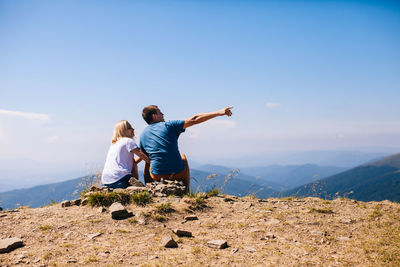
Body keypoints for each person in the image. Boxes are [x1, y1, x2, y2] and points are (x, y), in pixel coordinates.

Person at [139, 105, 233, 191]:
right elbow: (194, 119)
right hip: (178, 172)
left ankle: (148, 188)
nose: (163, 114)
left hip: (156, 175)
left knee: (147, 162)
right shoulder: (169, 125)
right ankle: (186, 190)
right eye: (159, 112)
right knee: (183, 157)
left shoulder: (143, 134)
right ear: (154, 116)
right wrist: (219, 112)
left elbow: (143, 155)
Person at [101, 120, 150, 189]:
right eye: (129, 128)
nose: (133, 129)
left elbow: (134, 161)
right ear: (123, 131)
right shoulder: (128, 141)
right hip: (120, 178)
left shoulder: (114, 144)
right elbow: (145, 158)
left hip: (106, 181)